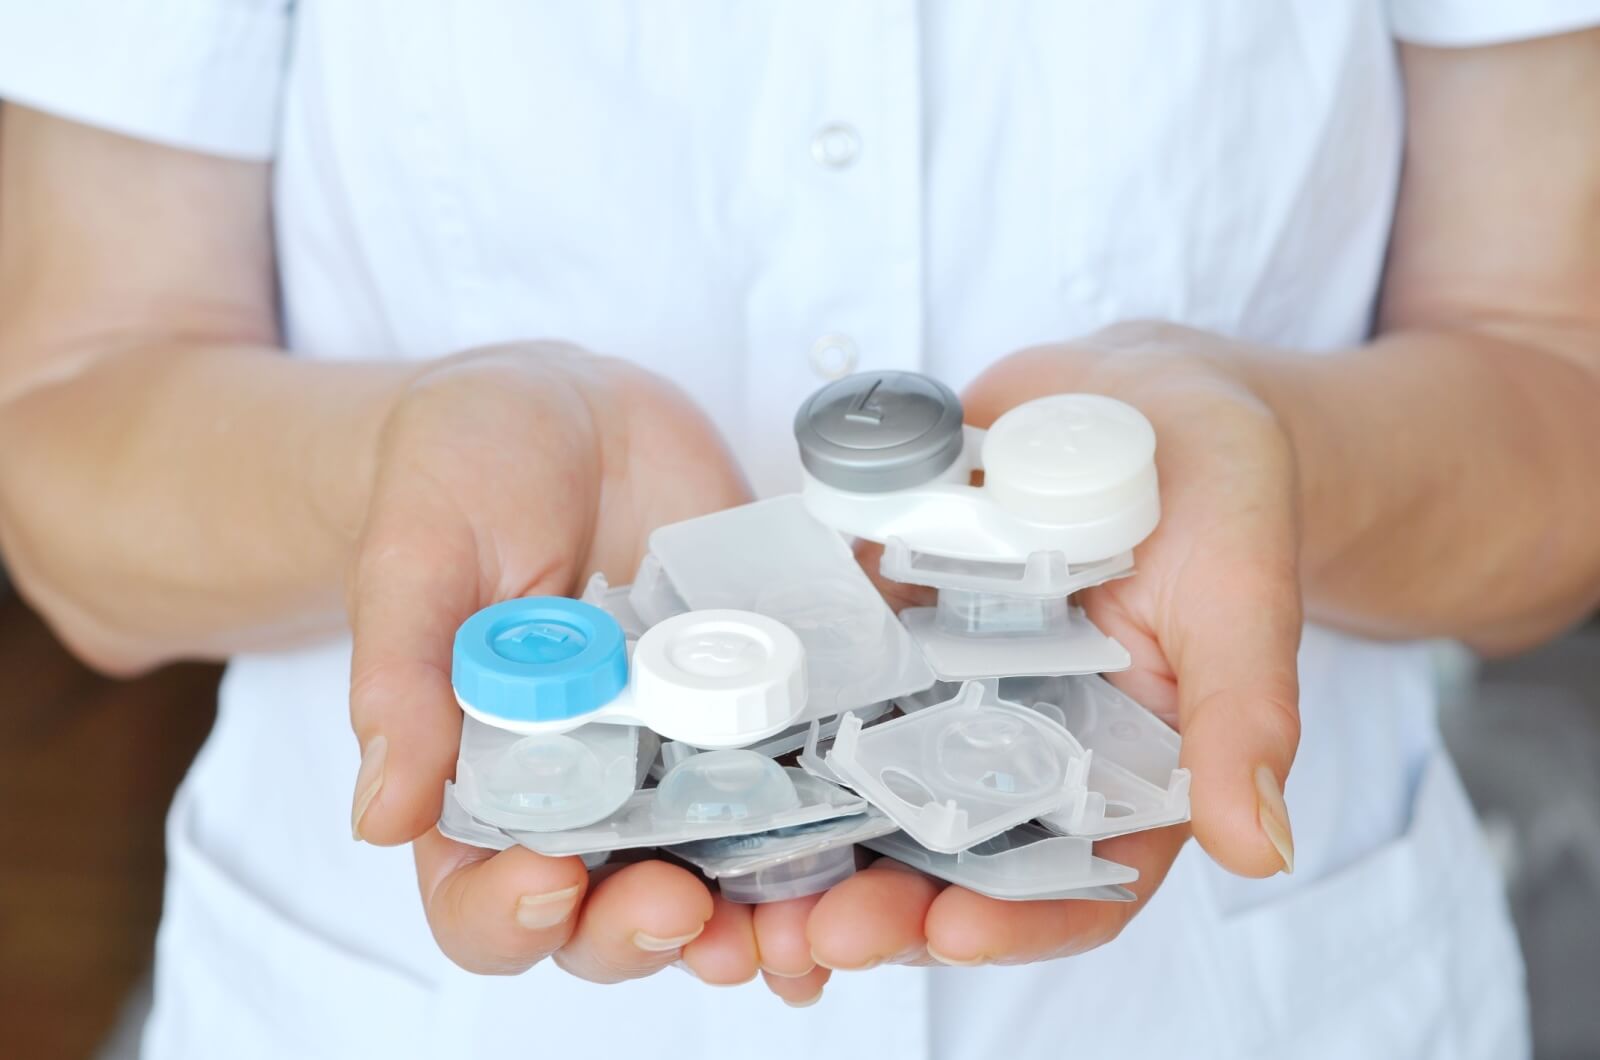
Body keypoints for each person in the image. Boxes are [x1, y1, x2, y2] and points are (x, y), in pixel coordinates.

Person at [1, 3, 1597, 1057]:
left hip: (1244, 1000)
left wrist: (1269, 451)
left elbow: (1557, 393)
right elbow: (68, 444)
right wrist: (403, 468)